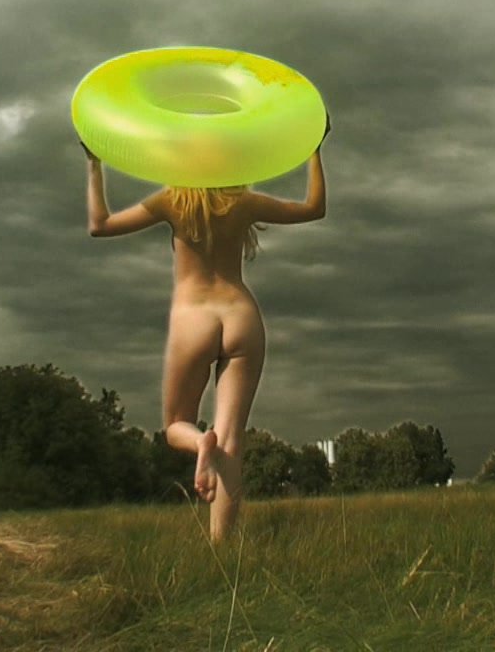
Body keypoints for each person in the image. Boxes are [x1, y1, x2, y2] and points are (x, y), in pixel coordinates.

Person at [82, 112, 330, 543]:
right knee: (231, 439)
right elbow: (314, 208)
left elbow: (99, 225)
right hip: (241, 315)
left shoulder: (171, 200)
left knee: (177, 424)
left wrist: (94, 163)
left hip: (192, 319)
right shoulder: (243, 202)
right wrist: (314, 148)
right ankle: (221, 549)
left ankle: (200, 444)